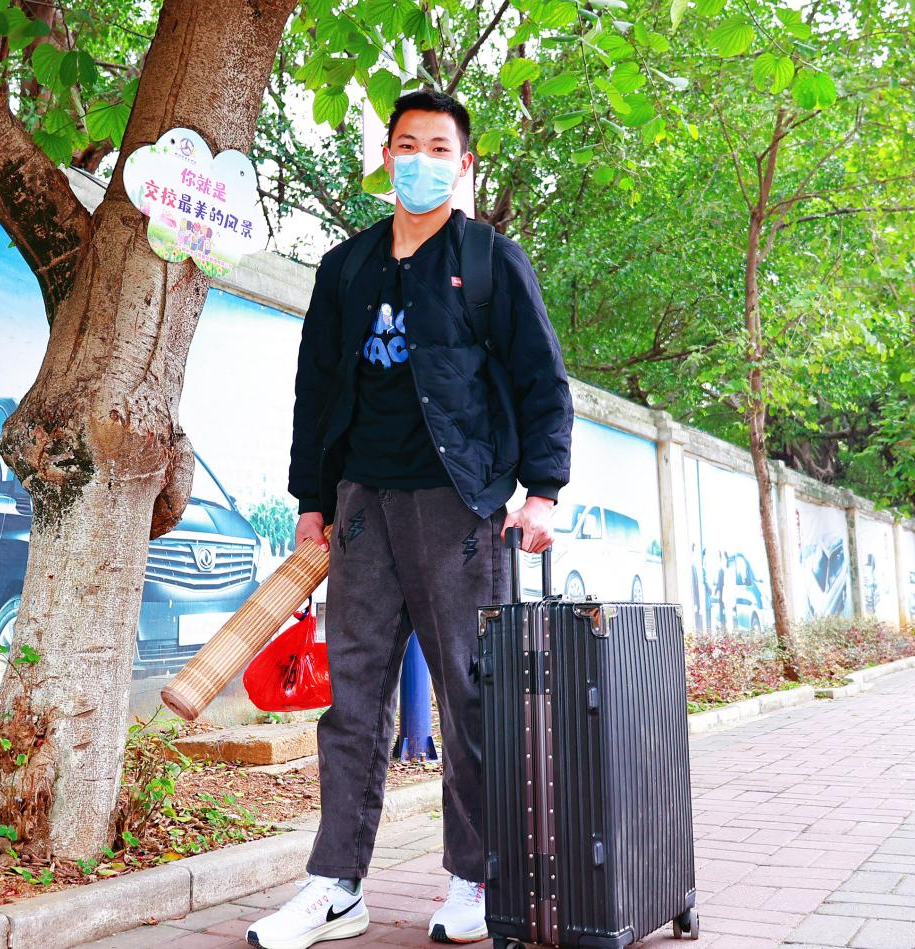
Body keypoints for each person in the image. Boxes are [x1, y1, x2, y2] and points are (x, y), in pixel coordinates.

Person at [249, 90, 573, 949]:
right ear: (385, 157)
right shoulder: (345, 266)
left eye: (437, 147)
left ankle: (475, 875)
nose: (420, 159)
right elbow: (316, 389)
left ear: (462, 165)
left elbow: (541, 378)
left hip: (458, 504)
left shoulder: (490, 259)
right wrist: (312, 500)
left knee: (471, 695)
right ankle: (336, 885)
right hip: (362, 504)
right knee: (352, 699)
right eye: (406, 144)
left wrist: (542, 490)